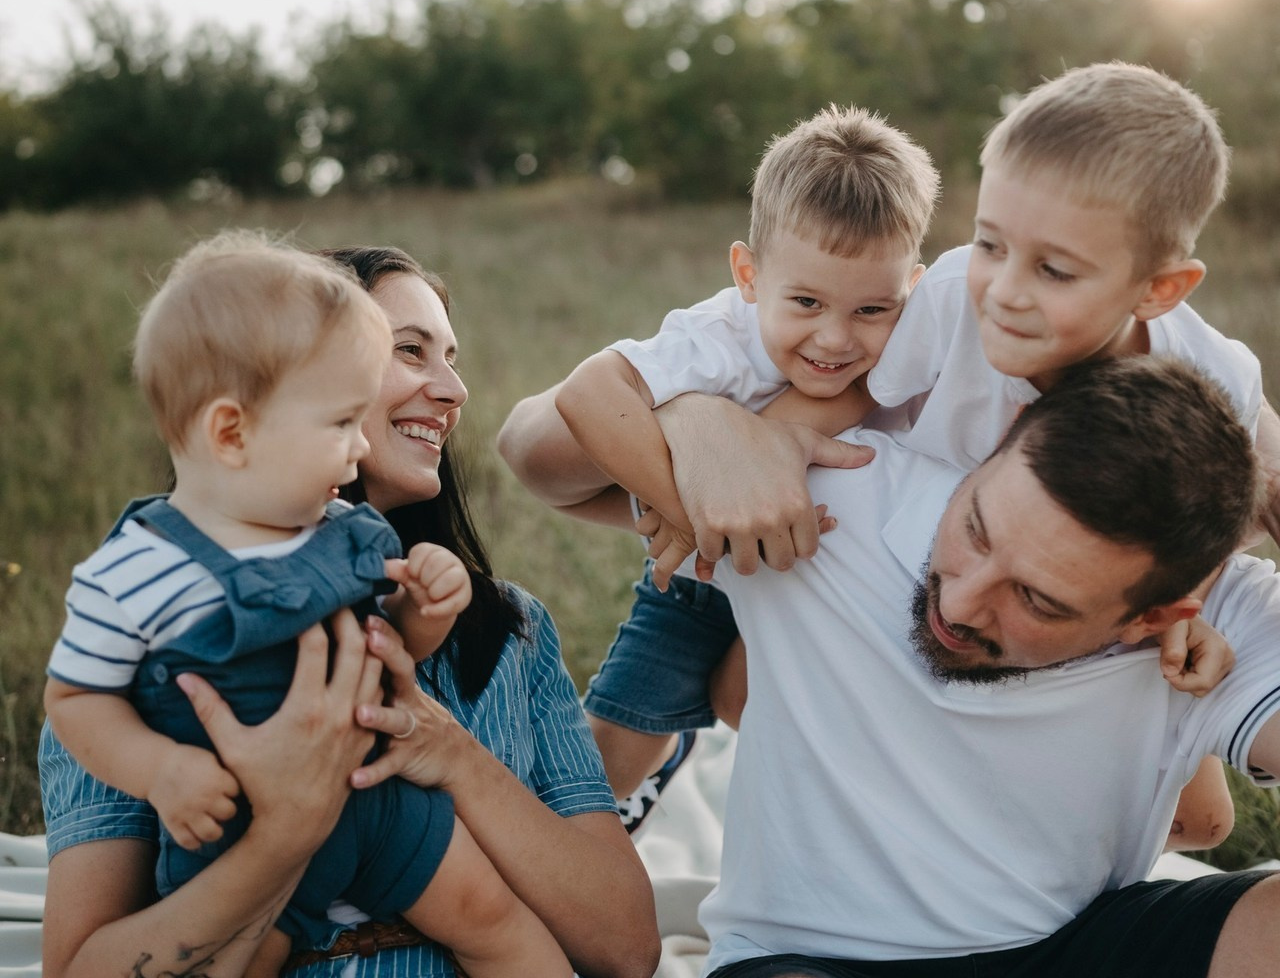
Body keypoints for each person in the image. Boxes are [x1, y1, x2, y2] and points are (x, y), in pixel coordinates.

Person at [39, 242, 658, 978]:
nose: (454, 389)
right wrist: (285, 835)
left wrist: (453, 755)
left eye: (451, 358)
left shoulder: (509, 631)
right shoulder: (152, 620)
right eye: (409, 350)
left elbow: (626, 950)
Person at [666, 356, 1280, 976]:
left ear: (1152, 617)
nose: (958, 605)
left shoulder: (1226, 614)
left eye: (1036, 599)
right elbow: (596, 469)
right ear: (1005, 438)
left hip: (1072, 944)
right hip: (813, 958)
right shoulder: (843, 490)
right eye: (976, 531)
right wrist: (698, 420)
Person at [532, 106, 937, 818]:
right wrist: (690, 515)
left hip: (816, 577)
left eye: (872, 310)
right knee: (611, 761)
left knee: (777, 723)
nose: (835, 339)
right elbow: (587, 395)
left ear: (913, 287)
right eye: (806, 301)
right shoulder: (721, 335)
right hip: (700, 580)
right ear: (749, 274)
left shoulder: (912, 344)